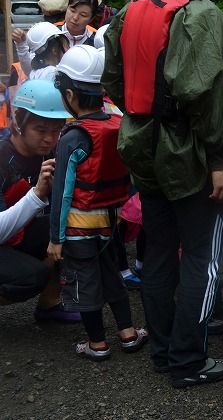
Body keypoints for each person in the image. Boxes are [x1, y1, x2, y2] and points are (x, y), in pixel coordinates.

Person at [102, 0, 223, 387]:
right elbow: (204, 95)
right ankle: (188, 361)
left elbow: (112, 82)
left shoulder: (132, 7)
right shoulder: (203, 14)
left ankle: (164, 351)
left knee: (159, 253)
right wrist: (220, 159)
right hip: (188, 153)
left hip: (141, 146)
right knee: (203, 259)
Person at [47, 45, 148, 360]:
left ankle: (97, 344)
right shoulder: (117, 125)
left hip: (78, 228)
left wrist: (55, 239)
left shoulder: (73, 136)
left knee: (84, 282)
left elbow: (62, 191)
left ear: (71, 97)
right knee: (111, 277)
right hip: (108, 222)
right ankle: (128, 335)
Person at [0, 79, 79, 323]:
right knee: (31, 277)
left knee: (72, 228)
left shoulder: (50, 152)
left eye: (56, 130)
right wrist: (36, 195)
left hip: (16, 235)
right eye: (41, 129)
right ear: (18, 123)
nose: (50, 138)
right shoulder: (2, 159)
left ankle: (49, 304)